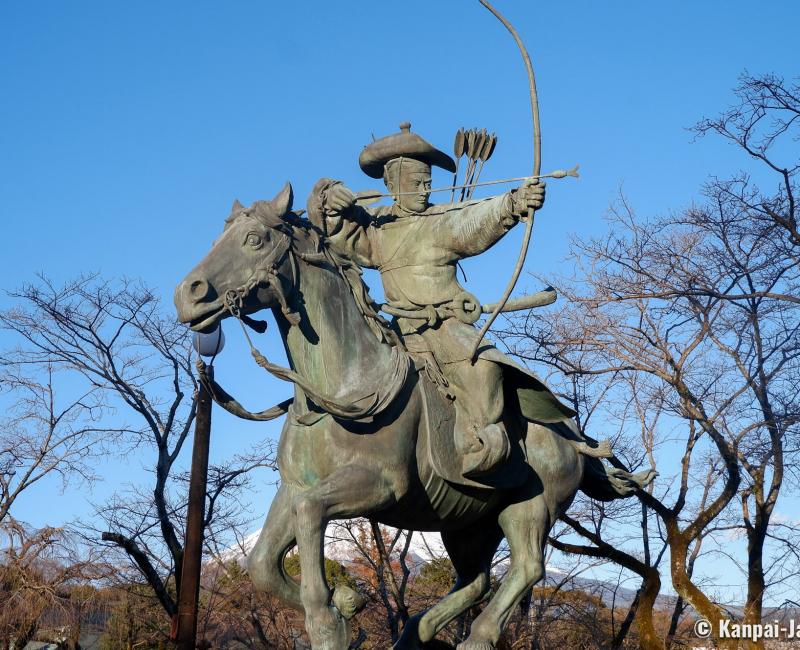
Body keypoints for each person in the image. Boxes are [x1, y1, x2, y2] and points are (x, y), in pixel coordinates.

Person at [306, 122, 574, 479]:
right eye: (415, 182)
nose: (425, 188)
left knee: (482, 365)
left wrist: (514, 203)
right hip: (399, 330)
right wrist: (330, 197)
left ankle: (483, 441)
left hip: (446, 326)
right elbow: (338, 231)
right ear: (391, 184)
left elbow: (475, 220)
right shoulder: (378, 229)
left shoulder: (441, 220)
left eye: (428, 181)